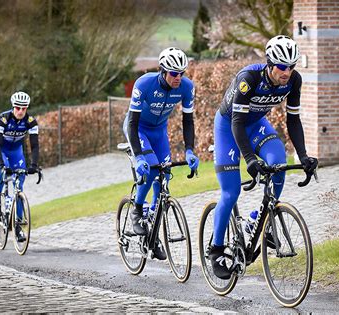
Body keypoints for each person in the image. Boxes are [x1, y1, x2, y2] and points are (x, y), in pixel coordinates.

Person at [210, 35, 319, 279]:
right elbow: (237, 122)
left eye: (291, 67)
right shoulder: (248, 79)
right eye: (282, 67)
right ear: (269, 64)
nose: (287, 72)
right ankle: (216, 249)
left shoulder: (294, 81)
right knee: (231, 193)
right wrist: (249, 159)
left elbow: (293, 120)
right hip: (229, 127)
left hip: (257, 124)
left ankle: (260, 222)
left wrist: (303, 156)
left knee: (278, 163)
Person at [123, 47, 199, 260]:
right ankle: (137, 210)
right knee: (151, 169)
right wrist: (138, 156)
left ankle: (153, 236)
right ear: (163, 70)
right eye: (174, 73)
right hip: (138, 129)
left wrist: (190, 150)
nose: (178, 77)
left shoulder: (186, 87)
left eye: (182, 73)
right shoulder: (144, 84)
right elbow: (132, 122)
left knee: (164, 177)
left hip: (159, 132)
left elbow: (188, 121)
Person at [0, 91, 39, 243]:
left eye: (23, 108)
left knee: (19, 188)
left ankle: (17, 226)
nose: (20, 111)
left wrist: (34, 165)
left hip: (16, 152)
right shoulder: (2, 119)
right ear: (13, 107)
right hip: (2, 151)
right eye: (17, 108)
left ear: (27, 108)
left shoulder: (31, 121)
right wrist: (1, 165)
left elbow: (35, 145)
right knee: (1, 171)